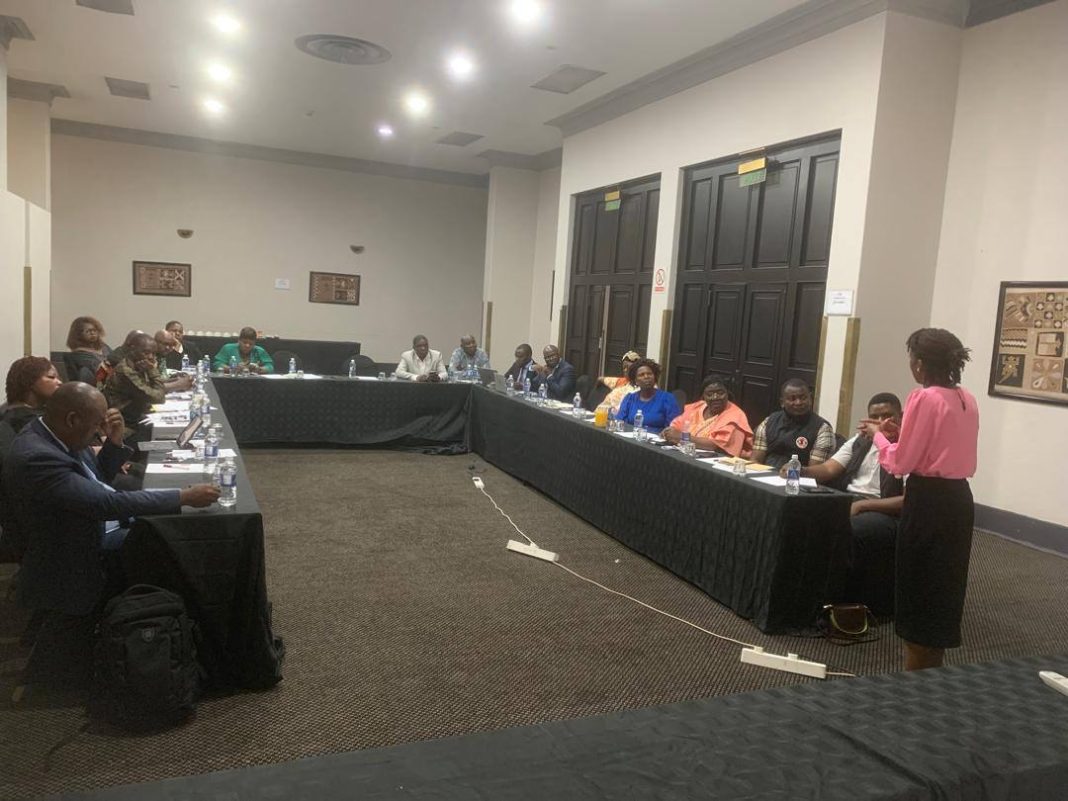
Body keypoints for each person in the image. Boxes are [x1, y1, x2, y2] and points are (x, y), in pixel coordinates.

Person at [2, 383, 218, 682]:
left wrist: (113, 443)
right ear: (73, 420)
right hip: (75, 544)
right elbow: (106, 502)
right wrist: (182, 496)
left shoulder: (57, 435)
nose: (98, 433)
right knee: (166, 540)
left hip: (87, 521)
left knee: (161, 524)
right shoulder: (38, 457)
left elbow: (98, 479)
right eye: (97, 426)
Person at [859, 328, 979, 671]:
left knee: (918, 590)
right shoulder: (965, 397)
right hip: (958, 501)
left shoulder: (922, 397)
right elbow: (938, 446)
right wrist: (900, 435)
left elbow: (900, 464)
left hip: (928, 502)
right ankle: (931, 673)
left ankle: (914, 681)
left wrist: (880, 437)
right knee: (943, 590)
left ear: (920, 364)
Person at [795, 392, 905, 616]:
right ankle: (806, 594)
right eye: (875, 417)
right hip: (849, 499)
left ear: (901, 416)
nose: (882, 422)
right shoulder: (860, 440)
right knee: (802, 517)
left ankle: (842, 603)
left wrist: (864, 506)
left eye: (888, 416)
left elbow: (909, 500)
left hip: (884, 509)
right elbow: (828, 469)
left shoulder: (908, 447)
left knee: (848, 530)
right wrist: (799, 470)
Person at [102, 332, 183, 438]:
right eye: (146, 352)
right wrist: (152, 370)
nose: (150, 357)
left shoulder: (137, 364)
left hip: (135, 415)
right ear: (132, 349)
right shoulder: (126, 371)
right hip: (125, 424)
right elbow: (159, 397)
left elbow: (152, 387)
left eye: (153, 354)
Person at [750, 379, 835, 468]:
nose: (798, 403)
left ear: (810, 399)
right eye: (792, 399)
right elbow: (756, 460)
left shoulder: (822, 428)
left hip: (799, 478)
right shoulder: (769, 422)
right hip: (765, 476)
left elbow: (814, 472)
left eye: (803, 398)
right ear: (782, 403)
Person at [663, 374, 752, 457]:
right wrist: (669, 432)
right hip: (688, 456)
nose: (715, 397)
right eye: (709, 394)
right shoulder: (697, 407)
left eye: (720, 393)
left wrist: (682, 437)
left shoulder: (735, 416)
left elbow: (716, 445)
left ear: (728, 393)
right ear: (703, 396)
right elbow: (676, 426)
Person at [1, 357, 63, 437]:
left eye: (58, 378)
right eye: (51, 377)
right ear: (29, 381)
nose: (60, 382)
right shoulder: (22, 419)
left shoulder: (9, 409)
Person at [614, 359, 680, 429]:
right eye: (641, 375)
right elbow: (619, 422)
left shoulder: (667, 398)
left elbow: (673, 428)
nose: (646, 377)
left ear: (655, 377)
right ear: (635, 381)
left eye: (649, 374)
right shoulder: (630, 399)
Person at [65, 315, 111, 384]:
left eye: (94, 330)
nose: (92, 333)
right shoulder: (77, 355)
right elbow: (100, 368)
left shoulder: (104, 347)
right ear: (79, 334)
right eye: (88, 331)